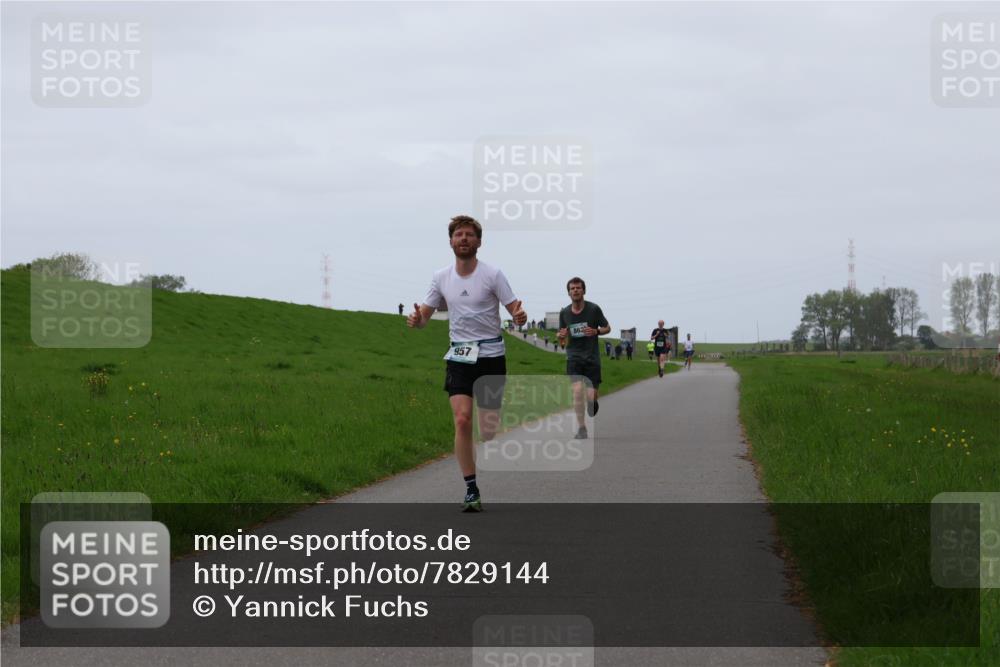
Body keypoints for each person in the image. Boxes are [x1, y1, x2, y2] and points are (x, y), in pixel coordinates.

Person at [407, 215, 527, 512]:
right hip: (460, 356)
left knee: (487, 428)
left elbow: (514, 308)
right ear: (450, 242)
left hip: (491, 355)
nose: (463, 239)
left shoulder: (493, 274)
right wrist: (416, 320)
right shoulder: (441, 277)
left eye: (469, 235)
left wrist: (519, 317)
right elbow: (424, 316)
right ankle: (471, 489)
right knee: (462, 419)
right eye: (458, 234)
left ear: (478, 242)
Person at [557, 277, 610, 440]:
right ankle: (582, 428)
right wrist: (560, 336)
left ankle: (593, 403)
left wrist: (596, 332)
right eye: (572, 288)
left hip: (592, 358)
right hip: (574, 358)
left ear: (584, 291)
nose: (575, 291)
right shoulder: (564, 313)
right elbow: (562, 341)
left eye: (578, 288)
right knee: (578, 392)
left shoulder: (594, 309)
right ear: (568, 292)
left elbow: (607, 327)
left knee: (590, 396)